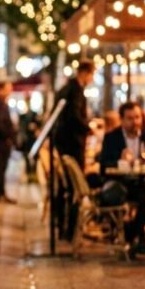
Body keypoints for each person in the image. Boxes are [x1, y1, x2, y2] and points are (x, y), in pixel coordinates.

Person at [98, 102, 145, 253]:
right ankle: (120, 231)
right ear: (121, 119)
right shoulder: (112, 137)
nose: (135, 122)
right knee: (112, 194)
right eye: (130, 118)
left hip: (144, 181)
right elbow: (103, 165)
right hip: (120, 181)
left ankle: (130, 233)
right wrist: (120, 161)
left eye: (137, 117)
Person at [53, 60, 95, 239]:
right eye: (92, 75)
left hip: (63, 143)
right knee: (75, 187)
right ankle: (70, 229)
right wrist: (88, 129)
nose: (92, 79)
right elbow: (74, 117)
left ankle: (63, 227)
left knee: (66, 188)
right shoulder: (76, 90)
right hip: (73, 144)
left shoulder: (66, 88)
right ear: (85, 73)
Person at [0, 81, 17, 204]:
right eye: (8, 88)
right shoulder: (0, 105)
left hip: (3, 140)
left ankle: (1, 192)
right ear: (0, 90)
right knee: (0, 167)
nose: (10, 91)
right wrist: (7, 136)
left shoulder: (1, 104)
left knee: (2, 167)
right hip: (2, 141)